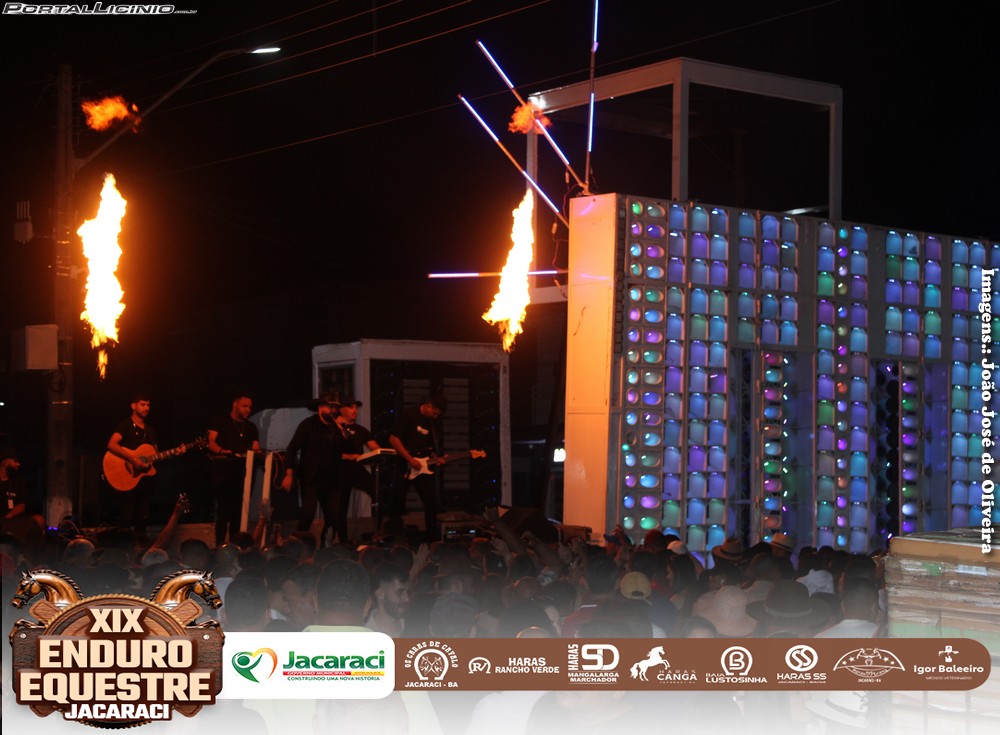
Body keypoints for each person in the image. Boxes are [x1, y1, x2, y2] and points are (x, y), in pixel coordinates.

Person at [106, 392, 176, 540]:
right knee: (126, 515)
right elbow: (112, 444)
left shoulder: (150, 430)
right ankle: (123, 546)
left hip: (144, 481)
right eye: (142, 404)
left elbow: (155, 454)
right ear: (133, 406)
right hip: (127, 477)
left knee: (143, 517)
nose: (146, 408)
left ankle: (140, 546)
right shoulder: (125, 424)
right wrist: (133, 459)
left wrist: (174, 452)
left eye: (148, 405)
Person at [280, 391, 342, 540]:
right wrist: (289, 474)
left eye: (335, 407)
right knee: (308, 513)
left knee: (333, 516)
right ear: (320, 408)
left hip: (332, 480)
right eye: (330, 407)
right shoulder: (308, 425)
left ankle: (326, 547)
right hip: (311, 478)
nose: (333, 411)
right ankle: (297, 544)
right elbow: (292, 449)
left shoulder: (337, 427)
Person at [388, 394, 447, 541]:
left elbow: (429, 447)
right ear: (428, 406)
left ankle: (432, 537)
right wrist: (409, 459)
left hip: (423, 467)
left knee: (431, 501)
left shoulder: (430, 423)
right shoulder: (409, 415)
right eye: (434, 413)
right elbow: (393, 439)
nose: (435, 417)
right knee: (398, 501)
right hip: (405, 465)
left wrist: (435, 458)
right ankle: (394, 536)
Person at [206, 393, 261, 547]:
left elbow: (256, 447)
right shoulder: (220, 421)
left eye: (250, 407)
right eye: (244, 406)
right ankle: (220, 546)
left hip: (243, 474)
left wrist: (258, 453)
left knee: (239, 512)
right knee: (224, 511)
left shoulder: (251, 427)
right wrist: (223, 451)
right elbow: (210, 442)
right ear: (235, 404)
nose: (248, 410)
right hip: (223, 473)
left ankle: (236, 547)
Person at [332, 395, 381, 544]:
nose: (355, 411)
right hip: (339, 470)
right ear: (341, 409)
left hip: (357, 469)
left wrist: (379, 452)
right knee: (341, 506)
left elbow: (374, 447)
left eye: (356, 408)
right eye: (351, 407)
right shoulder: (334, 428)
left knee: (377, 490)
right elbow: (328, 451)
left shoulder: (361, 430)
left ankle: (378, 531)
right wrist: (348, 456)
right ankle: (343, 541)